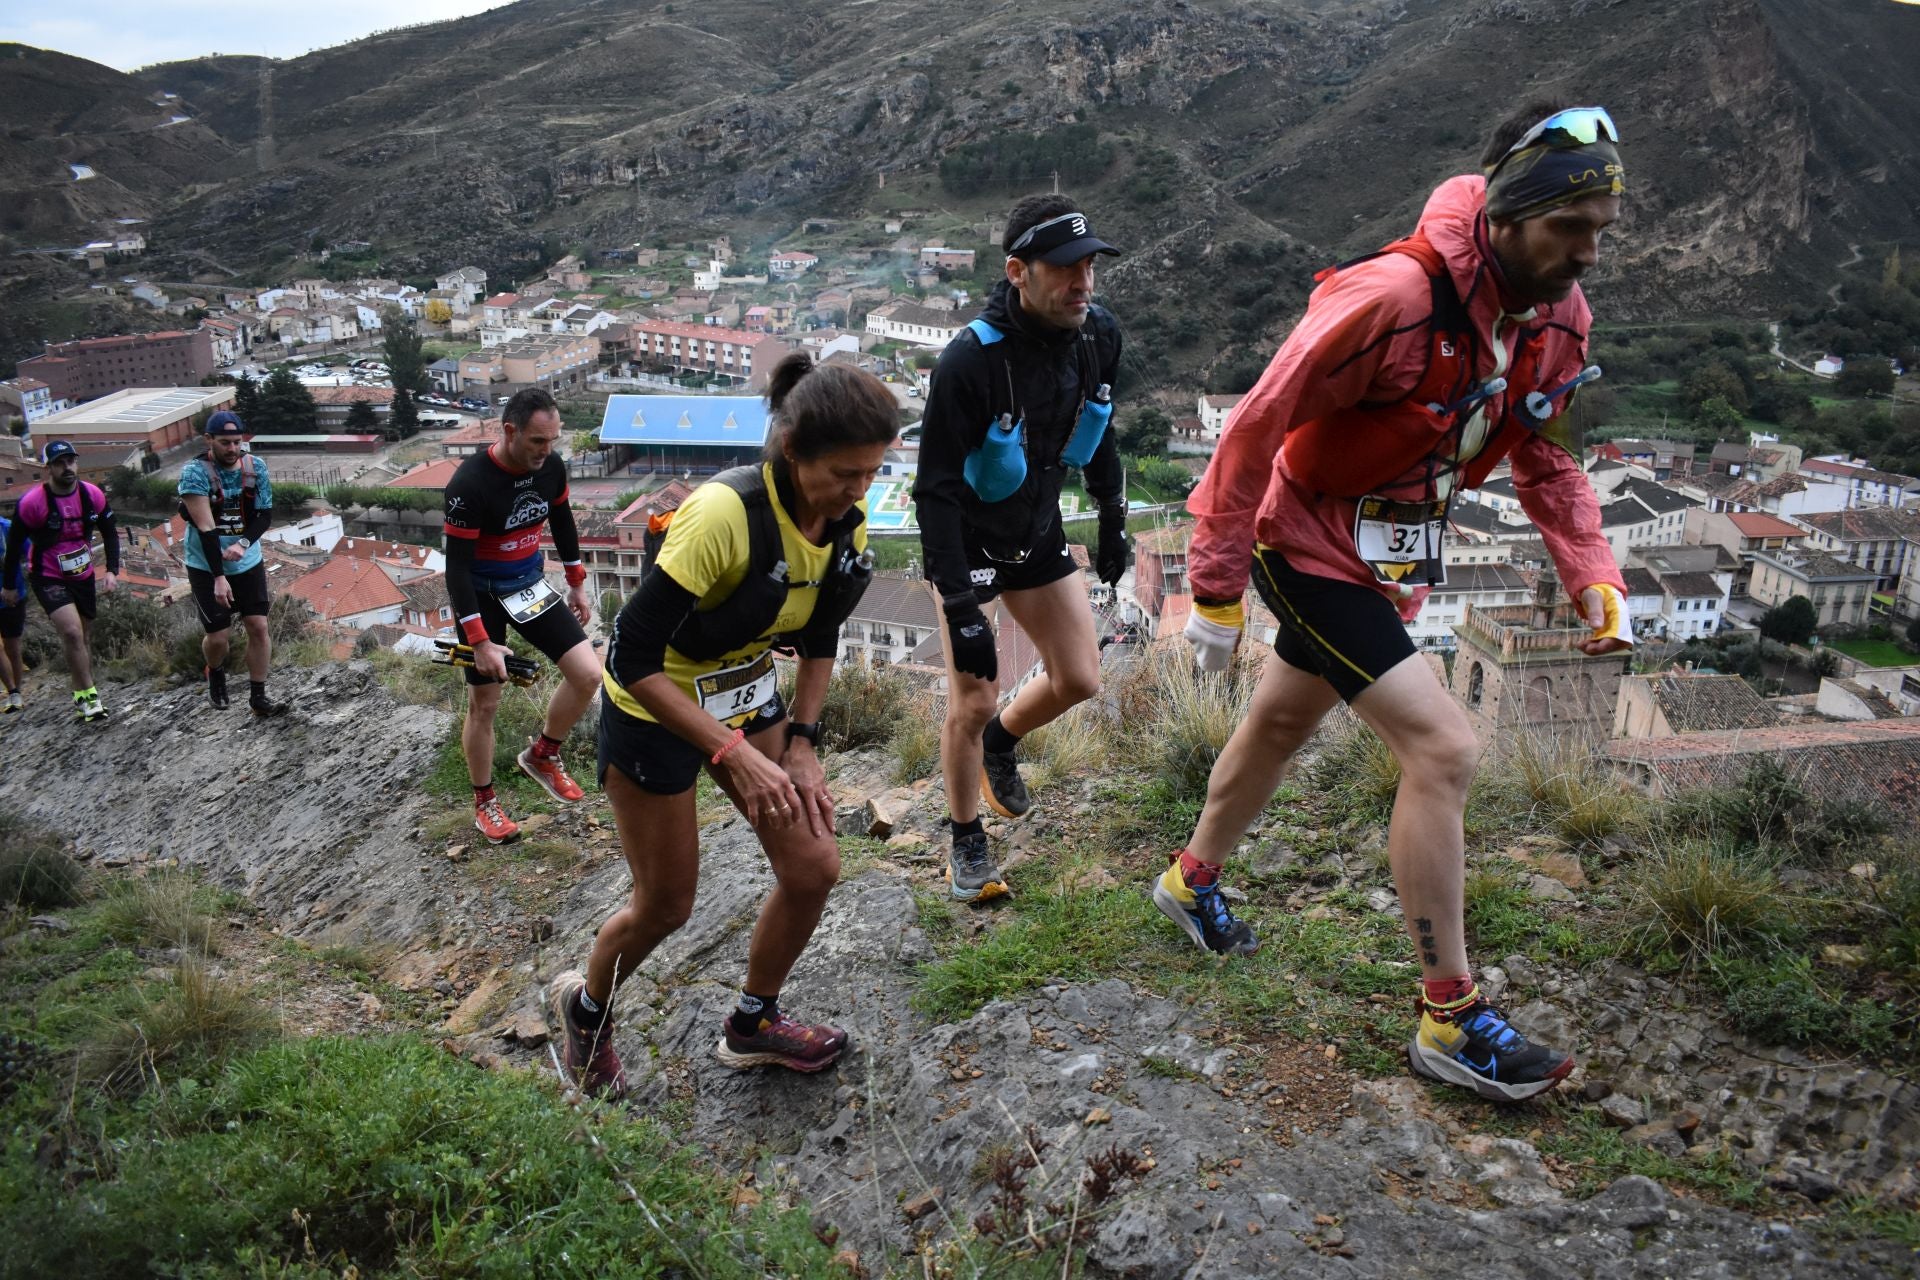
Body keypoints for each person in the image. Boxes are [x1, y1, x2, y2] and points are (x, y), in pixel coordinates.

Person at [1170, 103, 1632, 1103]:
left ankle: (1189, 881)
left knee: (1284, 718)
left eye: (1601, 230)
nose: (1588, 253)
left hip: (1390, 554)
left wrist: (1593, 573)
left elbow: (1547, 455)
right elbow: (1256, 424)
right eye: (1570, 228)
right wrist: (1213, 589)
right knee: (1445, 747)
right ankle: (1449, 1015)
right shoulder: (1390, 297)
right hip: (1304, 537)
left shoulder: (1558, 319)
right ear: (1509, 213)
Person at [545, 352, 894, 1098]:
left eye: (872, 474)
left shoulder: (845, 524)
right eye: (845, 474)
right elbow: (631, 655)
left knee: (814, 867)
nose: (858, 493)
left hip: (742, 696)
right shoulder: (722, 516)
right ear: (794, 449)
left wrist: (801, 743)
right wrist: (731, 753)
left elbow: (822, 635)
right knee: (666, 905)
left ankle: (753, 1023)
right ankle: (587, 1010)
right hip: (655, 708)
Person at [914, 194, 1129, 903]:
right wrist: (960, 604)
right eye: (1066, 268)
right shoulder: (968, 363)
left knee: (1079, 679)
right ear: (1019, 272)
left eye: (1090, 265)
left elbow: (1101, 425)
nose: (1084, 282)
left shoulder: (1100, 336)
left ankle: (1003, 744)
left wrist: (1111, 517)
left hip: (1036, 534)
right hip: (969, 541)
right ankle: (966, 838)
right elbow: (936, 492)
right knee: (970, 700)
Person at [442, 388, 602, 844]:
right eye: (537, 441)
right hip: (480, 595)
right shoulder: (469, 484)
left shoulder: (550, 466)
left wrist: (575, 580)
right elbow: (456, 568)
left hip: (528, 584)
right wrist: (479, 641)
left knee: (588, 675)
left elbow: (562, 518)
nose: (546, 451)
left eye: (552, 440)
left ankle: (543, 754)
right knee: (485, 703)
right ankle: (485, 802)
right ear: (509, 431)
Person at [1, 441, 120, 723]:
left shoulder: (92, 495)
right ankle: (91, 698)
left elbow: (110, 533)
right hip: (48, 575)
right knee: (71, 632)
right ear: (49, 468)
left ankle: (79, 692)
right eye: (59, 462)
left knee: (83, 636)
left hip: (82, 574)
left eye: (71, 461)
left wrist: (112, 570)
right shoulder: (32, 503)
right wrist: (8, 585)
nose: (67, 467)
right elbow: (14, 543)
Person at [178, 410, 287, 716]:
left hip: (246, 559)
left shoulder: (256, 467)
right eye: (224, 442)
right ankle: (215, 671)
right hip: (205, 563)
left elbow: (264, 515)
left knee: (258, 625)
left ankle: (258, 695)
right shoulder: (194, 473)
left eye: (237, 442)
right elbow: (206, 529)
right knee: (218, 636)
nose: (232, 449)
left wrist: (243, 544)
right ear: (208, 440)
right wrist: (218, 577)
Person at [0, 500, 26, 714]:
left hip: (13, 598)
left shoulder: (8, 529)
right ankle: (12, 691)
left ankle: (16, 692)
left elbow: (33, 554)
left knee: (12, 647)